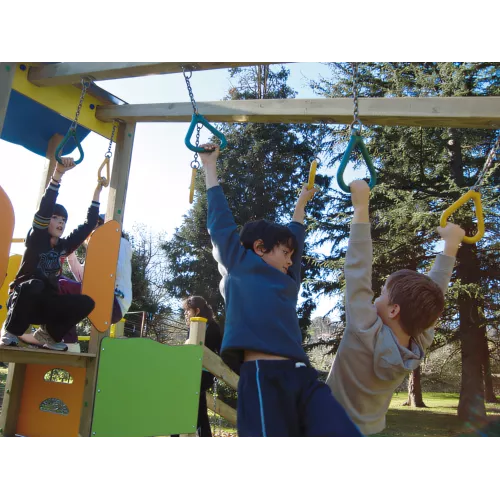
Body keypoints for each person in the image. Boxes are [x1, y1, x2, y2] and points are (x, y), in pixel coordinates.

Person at [200, 143, 361, 440]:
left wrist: (301, 203)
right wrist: (210, 166)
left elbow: (296, 236)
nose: (291, 261)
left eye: (292, 255)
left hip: (303, 375)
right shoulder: (239, 264)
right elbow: (220, 223)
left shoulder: (288, 280)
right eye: (285, 253)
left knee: (342, 434)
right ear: (260, 248)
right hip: (263, 378)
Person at [326, 179, 465, 436]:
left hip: (328, 424)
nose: (375, 298)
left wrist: (360, 207)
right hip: (367, 430)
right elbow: (434, 294)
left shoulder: (365, 329)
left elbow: (358, 269)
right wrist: (450, 247)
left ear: (393, 310)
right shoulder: (416, 343)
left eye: (381, 294)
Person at [0, 158, 104, 351]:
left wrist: (97, 192)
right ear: (46, 221)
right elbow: (45, 207)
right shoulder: (36, 237)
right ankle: (11, 332)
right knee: (35, 284)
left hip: (45, 305)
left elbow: (87, 226)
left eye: (63, 220)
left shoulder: (63, 247)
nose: (60, 223)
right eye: (55, 218)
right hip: (22, 299)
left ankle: (49, 335)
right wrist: (58, 175)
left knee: (87, 302)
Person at [183, 296, 222, 440]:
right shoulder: (191, 327)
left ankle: (179, 433)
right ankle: (205, 436)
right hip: (192, 370)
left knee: (197, 404)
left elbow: (220, 349)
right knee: (199, 406)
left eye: (188, 310)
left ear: (197, 310)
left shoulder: (213, 327)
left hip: (205, 372)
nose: (186, 314)